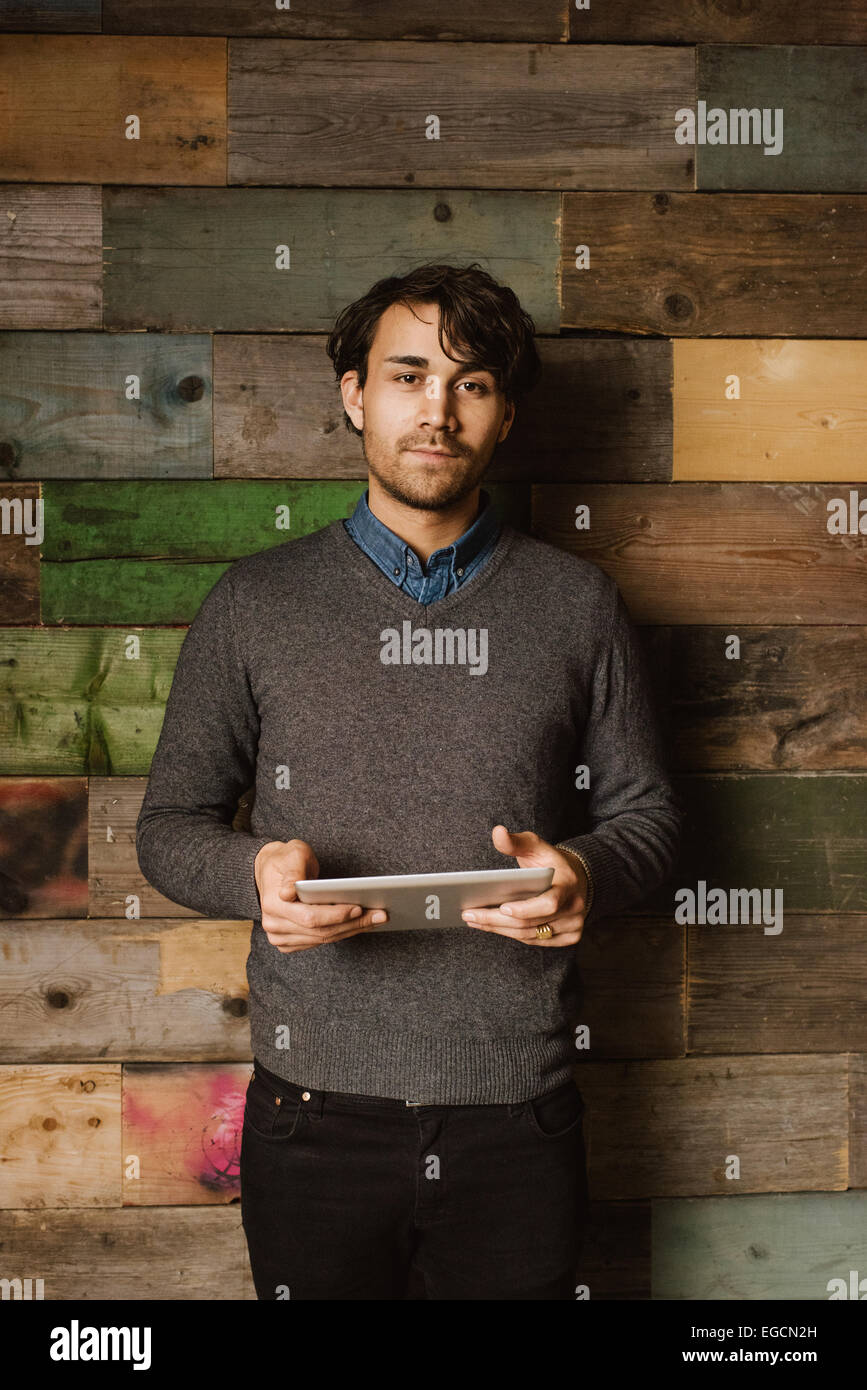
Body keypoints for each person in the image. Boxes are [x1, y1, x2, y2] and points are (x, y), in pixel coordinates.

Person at [136, 261, 682, 1300]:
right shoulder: (256, 604)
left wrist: (583, 869)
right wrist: (254, 873)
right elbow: (169, 826)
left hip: (517, 1117)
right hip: (311, 1120)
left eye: (471, 384)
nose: (437, 410)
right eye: (408, 375)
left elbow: (649, 817)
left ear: (506, 413)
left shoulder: (579, 605)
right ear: (354, 395)